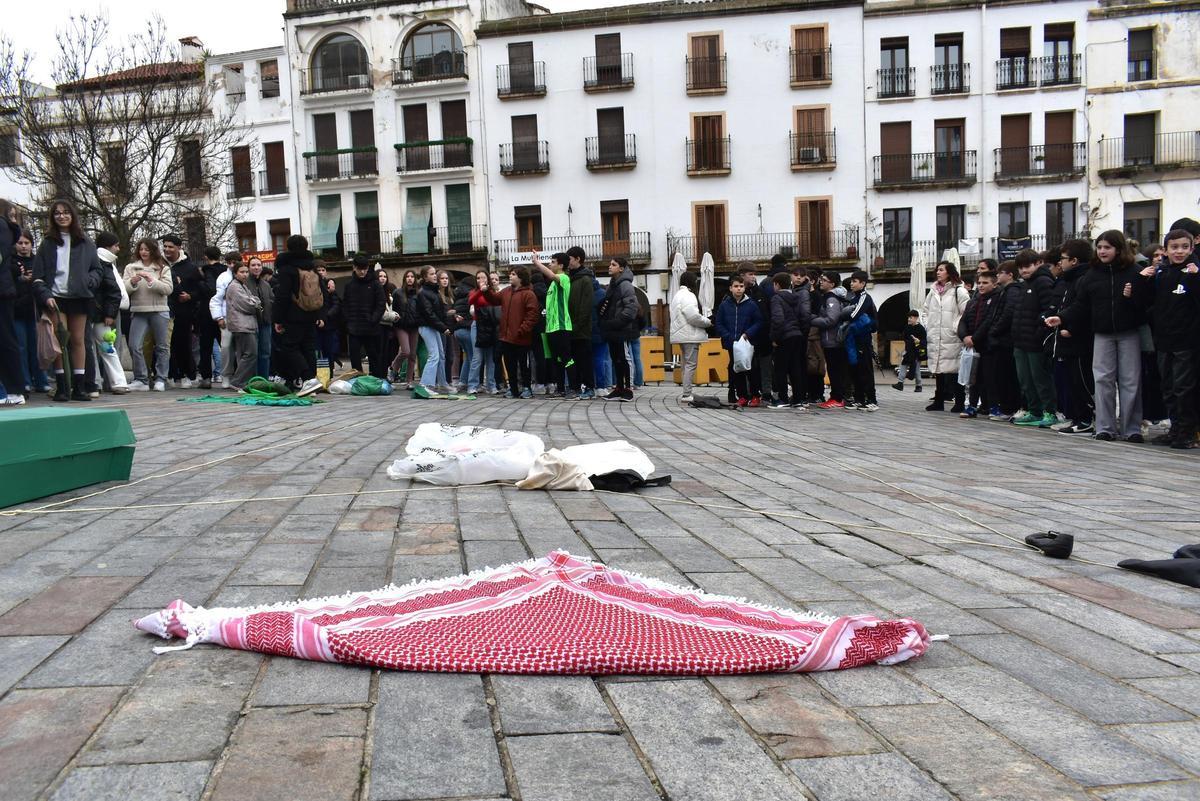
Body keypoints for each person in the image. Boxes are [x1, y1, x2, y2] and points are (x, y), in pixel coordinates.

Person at [1044, 231, 1144, 441]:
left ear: (1118, 249)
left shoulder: (1135, 272)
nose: (1102, 251)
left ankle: (1131, 428)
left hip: (1128, 332)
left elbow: (1146, 304)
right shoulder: (1093, 274)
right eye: (1099, 247)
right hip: (1102, 333)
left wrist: (1131, 296)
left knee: (1130, 381)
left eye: (1107, 247)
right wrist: (1061, 317)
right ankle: (1105, 427)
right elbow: (1081, 304)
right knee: (1102, 379)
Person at [30, 199, 104, 401]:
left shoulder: (85, 241)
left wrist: (89, 281)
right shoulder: (47, 243)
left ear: (72, 215)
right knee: (60, 341)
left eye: (65, 212)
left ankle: (80, 387)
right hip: (56, 298)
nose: (61, 216)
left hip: (80, 296)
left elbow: (97, 270)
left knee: (78, 340)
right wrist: (46, 296)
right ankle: (63, 386)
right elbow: (38, 276)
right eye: (57, 213)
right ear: (52, 218)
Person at [1137, 229, 1200, 449]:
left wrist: (1195, 278)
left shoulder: (1194, 272)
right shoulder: (1162, 273)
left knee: (1184, 387)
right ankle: (1175, 428)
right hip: (1164, 340)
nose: (1179, 251)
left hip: (1186, 341)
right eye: (1174, 247)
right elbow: (1149, 304)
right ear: (1166, 250)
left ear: (1192, 248)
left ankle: (1188, 431)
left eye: (1184, 247)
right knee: (1169, 386)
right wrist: (1143, 281)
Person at [271, 235, 325, 397]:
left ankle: (308, 380)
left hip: (293, 316)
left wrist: (278, 319)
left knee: (289, 347)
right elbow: (321, 293)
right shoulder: (313, 268)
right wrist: (319, 314)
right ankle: (311, 383)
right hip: (311, 314)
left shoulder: (287, 269)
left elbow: (282, 296)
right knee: (308, 348)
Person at [1010, 249, 1059, 428]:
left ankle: (1049, 411)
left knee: (1040, 378)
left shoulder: (1043, 282)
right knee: (1026, 379)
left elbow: (1049, 309)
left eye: (1027, 266)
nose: (1024, 271)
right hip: (1021, 340)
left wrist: (1039, 332)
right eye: (1020, 268)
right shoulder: (1025, 284)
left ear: (1038, 263)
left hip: (1035, 341)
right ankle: (1034, 410)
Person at [1051, 239, 1095, 435]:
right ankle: (1079, 417)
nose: (1061, 262)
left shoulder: (1083, 279)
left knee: (1081, 379)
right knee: (1072, 380)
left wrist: (1071, 327)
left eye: (1064, 258)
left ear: (1075, 260)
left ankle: (1086, 417)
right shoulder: (1070, 279)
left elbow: (1083, 307)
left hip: (1078, 339)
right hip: (1067, 337)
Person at [123, 238, 173, 392]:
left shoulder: (162, 268)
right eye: (141, 249)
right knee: (134, 345)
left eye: (147, 249)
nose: (143, 252)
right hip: (138, 311)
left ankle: (160, 379)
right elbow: (124, 289)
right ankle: (141, 379)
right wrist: (133, 282)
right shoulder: (131, 267)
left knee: (162, 346)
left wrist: (152, 281)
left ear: (153, 251)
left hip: (159, 310)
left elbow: (168, 289)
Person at [922, 261, 969, 412]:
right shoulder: (933, 291)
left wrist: (955, 327)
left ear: (949, 272)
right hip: (936, 335)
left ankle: (959, 401)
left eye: (941, 270)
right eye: (937, 270)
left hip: (952, 336)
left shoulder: (958, 291)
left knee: (955, 370)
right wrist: (928, 325)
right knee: (939, 370)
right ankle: (939, 401)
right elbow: (925, 311)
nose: (938, 272)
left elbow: (966, 313)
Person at [85, 232, 127, 397]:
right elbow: (114, 290)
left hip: (99, 312)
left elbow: (113, 290)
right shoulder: (104, 263)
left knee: (105, 346)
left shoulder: (104, 263)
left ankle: (110, 381)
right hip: (95, 311)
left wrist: (109, 313)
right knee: (100, 347)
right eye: (116, 245)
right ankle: (99, 382)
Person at [713, 273, 763, 407]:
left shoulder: (751, 304)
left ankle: (755, 395)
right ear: (730, 288)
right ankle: (742, 396)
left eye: (741, 286)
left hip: (747, 343)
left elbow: (758, 322)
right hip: (732, 343)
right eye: (736, 286)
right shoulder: (724, 305)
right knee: (737, 370)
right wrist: (727, 336)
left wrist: (748, 333)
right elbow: (719, 323)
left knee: (751, 369)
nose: (739, 289)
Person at [955, 270, 999, 418]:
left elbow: (989, 321)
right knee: (973, 378)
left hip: (987, 345)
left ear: (994, 284)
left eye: (985, 283)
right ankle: (972, 406)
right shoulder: (972, 301)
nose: (981, 285)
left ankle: (993, 407)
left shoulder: (997, 299)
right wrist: (964, 336)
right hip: (971, 346)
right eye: (979, 282)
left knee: (990, 378)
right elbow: (963, 321)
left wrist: (975, 338)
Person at [531, 250, 575, 398]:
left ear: (561, 265)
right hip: (551, 328)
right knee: (556, 360)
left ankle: (574, 388)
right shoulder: (550, 285)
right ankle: (560, 388)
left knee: (566, 358)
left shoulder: (564, 278)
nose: (550, 264)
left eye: (553, 262)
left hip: (562, 326)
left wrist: (537, 263)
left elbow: (551, 275)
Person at [11, 226, 47, 395]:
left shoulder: (37, 261)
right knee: (21, 347)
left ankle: (41, 380)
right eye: (20, 243)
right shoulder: (11, 262)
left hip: (35, 311)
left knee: (37, 347)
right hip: (17, 310)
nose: (24, 246)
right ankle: (25, 381)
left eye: (27, 243)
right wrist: (22, 279)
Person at [598, 257, 641, 402]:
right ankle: (618, 388)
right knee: (616, 359)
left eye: (613, 265)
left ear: (621, 268)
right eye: (610, 264)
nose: (609, 266)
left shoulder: (625, 285)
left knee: (624, 359)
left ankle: (628, 390)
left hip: (622, 328)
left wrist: (617, 322)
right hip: (612, 328)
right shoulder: (613, 284)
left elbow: (631, 308)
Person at [767, 270, 812, 408]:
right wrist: (802, 332)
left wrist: (774, 337)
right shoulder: (797, 297)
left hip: (784, 336)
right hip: (797, 335)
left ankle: (782, 398)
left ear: (776, 284)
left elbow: (778, 319)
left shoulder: (776, 298)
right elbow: (805, 316)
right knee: (795, 368)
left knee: (780, 368)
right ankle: (798, 399)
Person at [0, 199, 29, 403]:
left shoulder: (2, 226)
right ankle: (13, 389)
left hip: (2, 292)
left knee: (6, 338)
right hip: (5, 290)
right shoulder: (7, 229)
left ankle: (13, 390)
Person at [986, 261, 1023, 421]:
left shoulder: (1012, 291)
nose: (998, 275)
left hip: (1006, 340)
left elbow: (1008, 313)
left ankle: (1009, 408)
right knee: (1001, 376)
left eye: (1001, 272)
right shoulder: (1005, 291)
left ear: (1010, 275)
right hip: (1002, 339)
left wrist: (994, 330)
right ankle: (1006, 406)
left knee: (1006, 376)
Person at [163, 233, 200, 388]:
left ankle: (188, 374)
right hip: (164, 309)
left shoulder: (190, 267)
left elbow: (201, 289)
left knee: (183, 343)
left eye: (170, 247)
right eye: (164, 246)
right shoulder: (159, 264)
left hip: (184, 311)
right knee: (166, 344)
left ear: (179, 248)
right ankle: (171, 374)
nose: (167, 249)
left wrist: (190, 296)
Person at [498, 266, 539, 398]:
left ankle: (527, 388)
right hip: (506, 337)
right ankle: (513, 389)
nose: (510, 276)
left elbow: (532, 315)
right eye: (510, 274)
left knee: (524, 364)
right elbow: (493, 299)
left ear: (521, 277)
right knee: (510, 365)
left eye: (513, 274)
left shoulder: (529, 294)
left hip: (522, 338)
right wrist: (485, 291)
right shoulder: (506, 292)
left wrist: (522, 329)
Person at [341, 254, 386, 378]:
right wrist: (348, 322)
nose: (362, 272)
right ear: (354, 268)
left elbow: (381, 304)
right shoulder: (349, 285)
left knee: (374, 356)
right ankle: (358, 380)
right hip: (354, 327)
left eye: (365, 269)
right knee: (355, 357)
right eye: (360, 269)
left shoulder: (375, 284)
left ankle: (377, 380)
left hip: (371, 327)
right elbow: (345, 305)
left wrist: (373, 319)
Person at [670, 271, 710, 404]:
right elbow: (693, 316)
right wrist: (707, 322)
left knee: (685, 364)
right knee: (690, 364)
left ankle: (686, 391)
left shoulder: (676, 295)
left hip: (681, 335)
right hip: (690, 335)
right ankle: (687, 394)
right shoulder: (689, 295)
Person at [223, 260, 262, 390]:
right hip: (242, 325)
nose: (245, 274)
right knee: (250, 354)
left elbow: (254, 300)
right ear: (235, 273)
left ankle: (242, 381)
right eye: (242, 272)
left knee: (245, 354)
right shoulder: (234, 286)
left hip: (246, 325)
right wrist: (255, 303)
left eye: (246, 272)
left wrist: (254, 302)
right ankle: (238, 381)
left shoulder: (243, 286)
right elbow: (248, 305)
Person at [843, 270, 879, 410]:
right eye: (851, 281)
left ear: (863, 283)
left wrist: (844, 315)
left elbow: (853, 314)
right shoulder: (854, 297)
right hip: (853, 339)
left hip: (863, 339)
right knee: (855, 369)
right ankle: (858, 398)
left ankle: (871, 399)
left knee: (865, 370)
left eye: (855, 281)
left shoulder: (865, 297)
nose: (852, 284)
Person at [416, 265, 454, 392]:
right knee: (434, 356)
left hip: (434, 327)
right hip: (426, 327)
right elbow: (429, 314)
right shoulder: (423, 293)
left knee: (441, 355)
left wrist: (446, 326)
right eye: (432, 274)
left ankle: (443, 383)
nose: (434, 276)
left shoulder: (434, 291)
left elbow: (440, 312)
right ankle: (425, 385)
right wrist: (443, 328)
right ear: (425, 277)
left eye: (434, 273)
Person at [565, 246, 596, 399]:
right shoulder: (569, 278)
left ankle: (589, 387)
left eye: (569, 259)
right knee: (573, 361)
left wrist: (577, 326)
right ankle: (575, 387)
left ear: (577, 259)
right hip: (570, 328)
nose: (567, 262)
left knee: (584, 360)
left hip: (581, 330)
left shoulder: (585, 279)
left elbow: (586, 306)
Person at [195, 246, 227, 389]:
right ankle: (228, 375)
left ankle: (206, 377)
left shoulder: (207, 271)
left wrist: (199, 282)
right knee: (226, 346)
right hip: (224, 312)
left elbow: (209, 290)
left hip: (207, 313)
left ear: (206, 257)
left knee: (205, 347)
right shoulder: (226, 271)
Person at [467, 270, 501, 395]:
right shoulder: (474, 292)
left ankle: (491, 385)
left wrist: (486, 291)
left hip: (490, 326)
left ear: (488, 279)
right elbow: (470, 301)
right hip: (478, 325)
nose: (480, 280)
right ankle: (472, 385)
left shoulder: (492, 292)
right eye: (478, 278)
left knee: (490, 358)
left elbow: (495, 302)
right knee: (477, 357)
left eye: (483, 277)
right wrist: (481, 290)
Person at [390, 270, 421, 388]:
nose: (410, 278)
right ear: (404, 279)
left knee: (412, 354)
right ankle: (393, 369)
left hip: (414, 326)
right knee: (405, 351)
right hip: (401, 325)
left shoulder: (418, 294)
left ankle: (409, 381)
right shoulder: (397, 293)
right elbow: (392, 309)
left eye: (412, 276)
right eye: (407, 276)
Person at [247, 256, 273, 379]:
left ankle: (264, 379)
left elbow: (272, 299)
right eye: (253, 265)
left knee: (265, 353)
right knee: (252, 353)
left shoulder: (266, 284)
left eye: (258, 265)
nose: (256, 267)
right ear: (248, 267)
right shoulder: (244, 283)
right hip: (250, 323)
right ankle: (253, 380)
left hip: (266, 322)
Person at [894, 310, 926, 392]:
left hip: (917, 352)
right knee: (903, 365)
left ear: (916, 318)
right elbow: (904, 337)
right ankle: (900, 383)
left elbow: (924, 341)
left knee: (916, 369)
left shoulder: (921, 329)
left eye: (910, 317)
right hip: (908, 351)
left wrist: (918, 341)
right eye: (908, 317)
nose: (909, 319)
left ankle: (919, 386)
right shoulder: (907, 327)